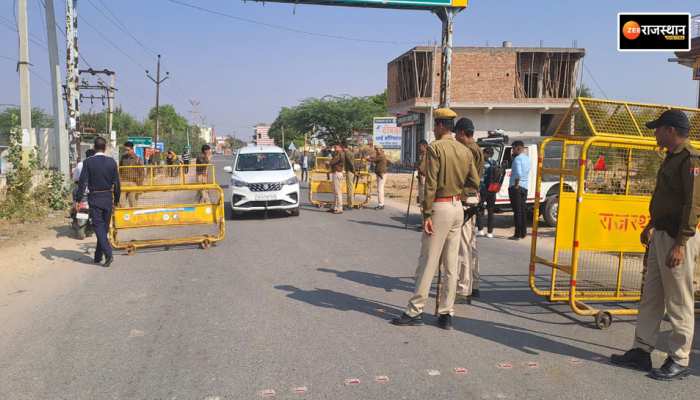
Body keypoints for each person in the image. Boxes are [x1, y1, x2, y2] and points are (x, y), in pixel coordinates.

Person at [611, 109, 699, 381]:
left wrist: (680, 244)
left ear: (670, 130)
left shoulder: (690, 159)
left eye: (658, 129)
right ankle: (641, 350)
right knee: (651, 298)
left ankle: (679, 358)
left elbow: (692, 204)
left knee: (678, 299)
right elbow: (665, 199)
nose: (655, 133)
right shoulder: (671, 158)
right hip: (661, 234)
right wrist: (650, 225)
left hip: (677, 238)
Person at [391, 108, 480, 330]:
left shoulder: (435, 148)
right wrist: (461, 195)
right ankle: (446, 314)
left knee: (428, 262)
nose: (433, 128)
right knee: (451, 264)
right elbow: (474, 182)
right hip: (457, 207)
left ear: (440, 125)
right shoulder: (464, 150)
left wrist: (427, 214)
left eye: (435, 124)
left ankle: (415, 310)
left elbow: (430, 184)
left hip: (439, 207)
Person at [76, 137, 120, 268]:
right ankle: (97, 256)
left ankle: (108, 253)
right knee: (103, 228)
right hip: (108, 197)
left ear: (94, 148)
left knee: (99, 228)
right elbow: (117, 183)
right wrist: (116, 199)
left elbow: (82, 182)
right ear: (105, 147)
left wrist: (78, 199)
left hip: (95, 198)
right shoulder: (112, 162)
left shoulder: (88, 162)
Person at [454, 117, 485, 302]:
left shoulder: (468, 151)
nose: (456, 138)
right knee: (471, 245)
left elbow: (466, 177)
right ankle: (474, 284)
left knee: (463, 246)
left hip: (466, 198)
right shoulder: (477, 149)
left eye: (457, 134)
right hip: (472, 198)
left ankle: (463, 288)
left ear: (463, 133)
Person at [508, 140, 530, 240]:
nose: (512, 151)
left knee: (517, 211)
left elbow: (518, 174)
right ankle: (523, 233)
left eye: (513, 148)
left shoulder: (517, 159)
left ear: (518, 148)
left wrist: (516, 185)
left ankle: (517, 234)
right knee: (522, 211)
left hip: (516, 187)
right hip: (524, 187)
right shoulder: (527, 158)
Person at [477, 147, 497, 238]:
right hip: (493, 189)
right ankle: (490, 232)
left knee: (480, 209)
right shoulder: (494, 163)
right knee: (491, 211)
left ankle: (480, 229)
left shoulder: (482, 163)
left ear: (485, 153)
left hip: (483, 189)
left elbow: (479, 178)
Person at [119, 141, 144, 208]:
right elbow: (120, 170)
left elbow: (141, 174)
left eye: (128, 150)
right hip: (123, 184)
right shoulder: (123, 158)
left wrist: (140, 188)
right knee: (121, 205)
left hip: (133, 184)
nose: (126, 152)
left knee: (133, 205)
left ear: (132, 149)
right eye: (125, 150)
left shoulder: (138, 159)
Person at [328, 144, 345, 214]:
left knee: (338, 192)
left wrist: (328, 163)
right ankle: (335, 207)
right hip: (336, 173)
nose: (335, 148)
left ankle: (339, 208)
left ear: (340, 148)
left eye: (336, 147)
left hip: (337, 173)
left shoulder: (340, 154)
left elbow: (333, 162)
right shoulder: (338, 154)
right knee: (335, 192)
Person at [371, 145, 388, 210]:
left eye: (377, 149)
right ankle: (381, 203)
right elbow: (375, 158)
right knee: (380, 189)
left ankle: (381, 204)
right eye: (375, 149)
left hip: (382, 174)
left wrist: (368, 159)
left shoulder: (381, 155)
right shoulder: (380, 155)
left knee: (380, 189)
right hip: (379, 174)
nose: (376, 151)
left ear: (380, 149)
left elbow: (374, 160)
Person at [416, 139, 429, 208]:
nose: (419, 148)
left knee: (423, 197)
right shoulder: (422, 155)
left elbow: (422, 168)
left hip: (424, 177)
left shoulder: (427, 155)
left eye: (420, 146)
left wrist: (417, 166)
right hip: (421, 177)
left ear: (425, 146)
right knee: (421, 196)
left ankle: (424, 216)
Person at [343, 144, 356, 209]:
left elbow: (351, 163)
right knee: (350, 187)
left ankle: (350, 204)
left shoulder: (347, 153)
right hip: (350, 171)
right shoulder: (350, 153)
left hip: (350, 171)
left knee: (350, 188)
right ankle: (350, 203)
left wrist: (353, 170)